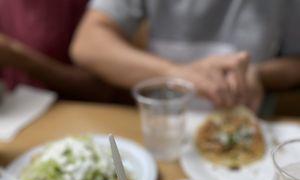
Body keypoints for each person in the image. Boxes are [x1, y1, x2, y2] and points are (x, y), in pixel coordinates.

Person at [70, 0, 300, 112]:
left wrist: (260, 75)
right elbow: (87, 44)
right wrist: (179, 74)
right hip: (164, 126)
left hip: (250, 131)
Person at [0, 0, 114, 101]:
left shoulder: (91, 7)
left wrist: (20, 58)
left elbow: (101, 89)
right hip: (17, 116)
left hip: (72, 114)